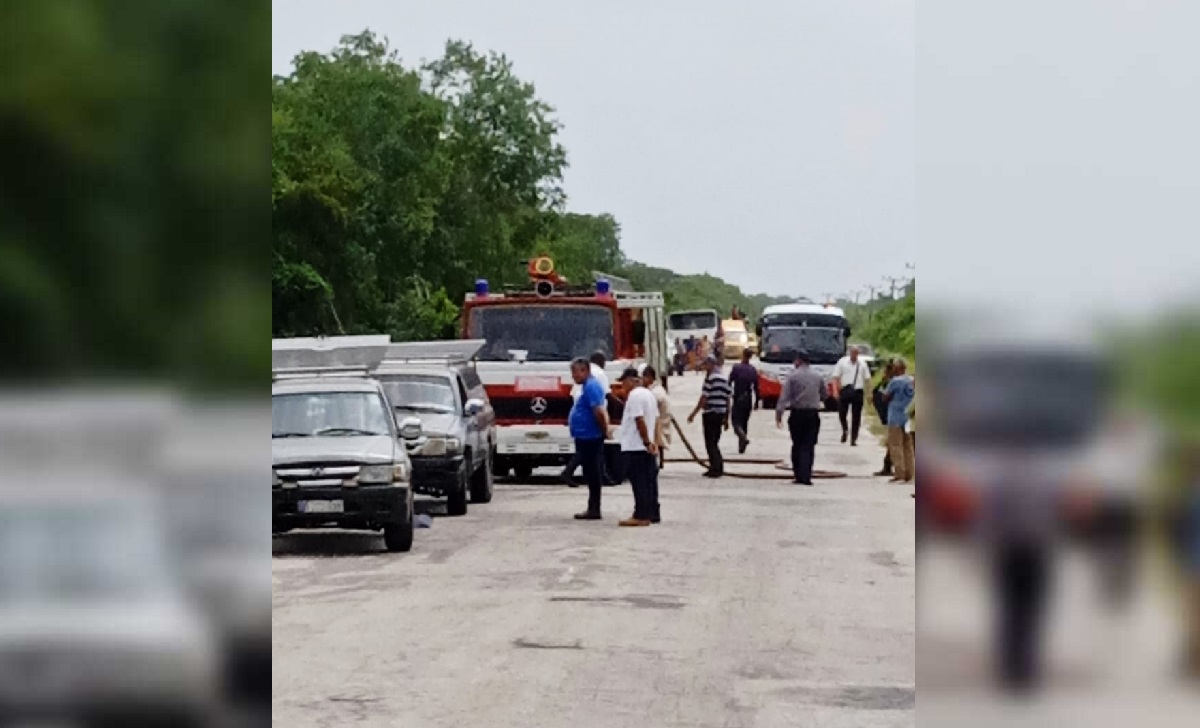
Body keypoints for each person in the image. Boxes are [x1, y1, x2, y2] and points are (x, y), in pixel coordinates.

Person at [562, 351, 619, 487]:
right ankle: (572, 473)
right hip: (589, 426)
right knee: (589, 457)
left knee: (592, 457)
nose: (574, 376)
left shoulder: (590, 382)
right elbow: (604, 400)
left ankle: (602, 477)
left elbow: (574, 398)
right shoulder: (598, 375)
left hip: (586, 426)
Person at [616, 368, 660, 527]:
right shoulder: (649, 394)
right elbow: (655, 420)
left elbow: (639, 420)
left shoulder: (634, 396)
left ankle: (641, 515)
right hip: (646, 446)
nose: (623, 387)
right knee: (649, 482)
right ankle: (652, 512)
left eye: (623, 382)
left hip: (636, 446)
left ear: (632, 380)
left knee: (638, 482)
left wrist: (646, 442)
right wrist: (654, 442)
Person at [569, 358, 610, 520]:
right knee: (589, 472)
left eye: (575, 372)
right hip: (585, 435)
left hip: (591, 436)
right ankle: (592, 507)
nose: (573, 376)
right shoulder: (587, 386)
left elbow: (599, 412)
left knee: (593, 472)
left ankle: (594, 508)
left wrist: (603, 430)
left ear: (585, 371)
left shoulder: (592, 386)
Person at [775, 350, 824, 485]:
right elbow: (825, 394)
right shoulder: (818, 377)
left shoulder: (792, 377)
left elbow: (784, 397)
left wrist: (779, 414)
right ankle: (806, 476)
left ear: (799, 361)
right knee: (809, 445)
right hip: (812, 414)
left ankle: (798, 475)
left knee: (797, 444)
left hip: (797, 413)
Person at [687, 355, 731, 478]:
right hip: (720, 413)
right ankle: (716, 466)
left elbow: (704, 399)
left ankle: (716, 468)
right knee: (715, 441)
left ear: (711, 365)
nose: (705, 367)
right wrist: (727, 417)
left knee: (710, 443)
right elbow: (728, 399)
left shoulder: (710, 379)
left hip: (710, 413)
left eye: (706, 365)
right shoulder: (723, 379)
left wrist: (693, 414)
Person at [883, 358, 916, 483]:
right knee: (908, 446)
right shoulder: (911, 380)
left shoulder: (895, 381)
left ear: (897, 369)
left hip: (895, 417)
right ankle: (910, 474)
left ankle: (900, 474)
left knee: (896, 446)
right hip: (908, 418)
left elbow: (886, 397)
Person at [832, 346, 871, 446]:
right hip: (845, 389)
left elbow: (867, 379)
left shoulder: (862, 364)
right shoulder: (842, 362)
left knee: (856, 416)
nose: (854, 355)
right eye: (853, 352)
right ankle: (845, 429)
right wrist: (835, 391)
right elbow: (835, 377)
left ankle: (854, 438)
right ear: (849, 353)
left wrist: (869, 393)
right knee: (842, 412)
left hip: (858, 391)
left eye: (856, 353)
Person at [727, 349, 759, 454]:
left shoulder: (736, 368)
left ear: (743, 355)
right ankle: (741, 447)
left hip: (738, 397)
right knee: (744, 422)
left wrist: (728, 393)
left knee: (735, 421)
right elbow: (756, 387)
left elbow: (729, 382)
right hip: (748, 398)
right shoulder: (753, 370)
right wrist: (757, 401)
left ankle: (742, 437)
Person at [642, 365, 671, 472]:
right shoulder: (657, 389)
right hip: (662, 420)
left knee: (655, 440)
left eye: (643, 378)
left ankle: (656, 463)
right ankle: (660, 463)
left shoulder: (655, 392)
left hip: (660, 421)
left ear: (649, 377)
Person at [872, 359, 895, 477]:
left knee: (894, 443)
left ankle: (891, 467)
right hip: (895, 416)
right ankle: (888, 466)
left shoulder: (892, 383)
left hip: (895, 416)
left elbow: (881, 396)